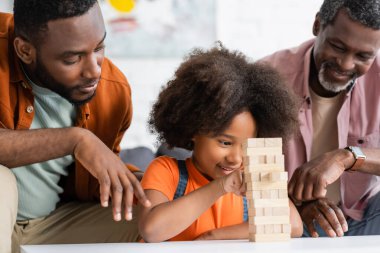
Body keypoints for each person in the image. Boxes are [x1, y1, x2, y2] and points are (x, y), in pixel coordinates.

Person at [0, 1, 151, 252]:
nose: (94, 71)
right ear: (25, 50)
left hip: (50, 225)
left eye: (99, 47)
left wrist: (156, 183)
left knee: (158, 218)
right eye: (72, 59)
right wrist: (76, 139)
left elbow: (98, 175)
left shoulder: (114, 91)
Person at [137, 45, 303, 242]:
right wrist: (220, 187)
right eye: (225, 142)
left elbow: (293, 224)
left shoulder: (251, 180)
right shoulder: (166, 171)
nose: (235, 158)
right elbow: (151, 230)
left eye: (246, 147)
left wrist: (215, 236)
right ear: (195, 130)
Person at [259, 0, 380, 238]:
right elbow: (233, 165)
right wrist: (292, 204)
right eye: (337, 46)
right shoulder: (266, 77)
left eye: (363, 56)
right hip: (286, 220)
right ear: (317, 25)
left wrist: (346, 157)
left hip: (365, 216)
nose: (345, 64)